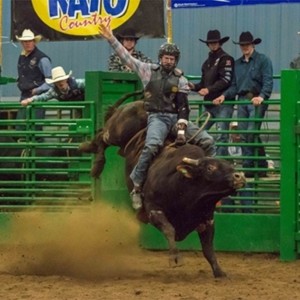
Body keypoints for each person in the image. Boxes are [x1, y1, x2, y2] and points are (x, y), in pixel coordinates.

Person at [98, 23, 216, 210]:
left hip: (177, 118)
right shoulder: (147, 71)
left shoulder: (181, 79)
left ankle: (210, 182)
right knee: (152, 145)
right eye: (166, 58)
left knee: (208, 141)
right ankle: (136, 186)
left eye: (172, 58)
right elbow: (126, 58)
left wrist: (182, 126)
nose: (169, 61)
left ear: (176, 60)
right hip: (157, 118)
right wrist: (111, 39)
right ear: (161, 58)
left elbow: (183, 106)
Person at [213, 31, 273, 177]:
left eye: (246, 44)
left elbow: (268, 81)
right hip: (242, 100)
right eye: (242, 45)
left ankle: (252, 165)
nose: (244, 47)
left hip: (256, 99)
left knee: (251, 132)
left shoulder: (263, 60)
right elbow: (234, 85)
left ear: (252, 44)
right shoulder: (238, 64)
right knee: (246, 133)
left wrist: (262, 96)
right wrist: (224, 95)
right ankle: (255, 165)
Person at [189, 30, 234, 156]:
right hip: (210, 103)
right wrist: (193, 86)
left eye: (215, 42)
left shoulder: (226, 59)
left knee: (221, 136)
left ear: (219, 43)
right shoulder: (207, 63)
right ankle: (220, 160)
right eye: (211, 43)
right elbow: (203, 83)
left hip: (221, 103)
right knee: (199, 133)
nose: (213, 45)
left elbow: (226, 80)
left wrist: (208, 90)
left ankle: (220, 162)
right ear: (208, 44)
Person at [15, 29, 52, 132]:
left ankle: (36, 146)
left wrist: (37, 90)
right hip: (24, 94)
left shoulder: (42, 59)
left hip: (37, 96)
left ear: (34, 42)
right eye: (25, 42)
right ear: (22, 43)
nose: (27, 44)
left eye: (30, 41)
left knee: (35, 126)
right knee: (20, 127)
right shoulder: (22, 57)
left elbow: (50, 82)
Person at [20, 66, 85, 106]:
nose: (60, 83)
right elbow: (43, 97)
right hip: (77, 108)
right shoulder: (54, 91)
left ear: (66, 80)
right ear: (54, 83)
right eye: (57, 82)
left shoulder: (78, 83)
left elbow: (92, 84)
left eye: (61, 80)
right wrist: (29, 100)